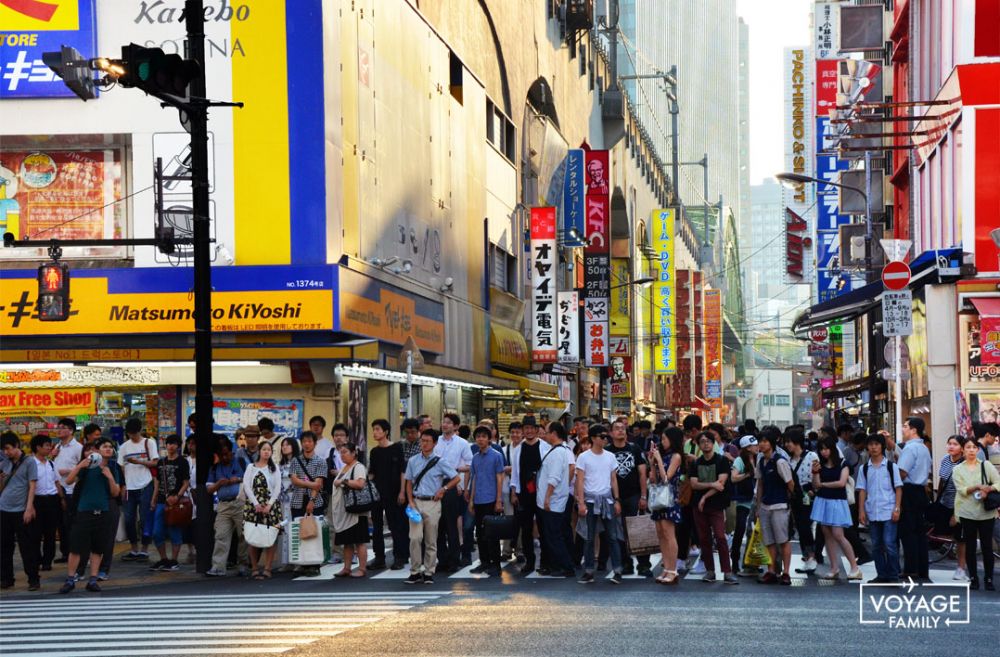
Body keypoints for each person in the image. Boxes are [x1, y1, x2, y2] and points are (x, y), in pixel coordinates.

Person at [58, 438, 122, 594]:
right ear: (97, 450)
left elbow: (115, 493)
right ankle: (70, 579)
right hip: (84, 512)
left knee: (98, 548)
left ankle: (93, 579)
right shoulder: (87, 466)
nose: (108, 449)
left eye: (110, 447)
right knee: (76, 548)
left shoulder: (113, 468)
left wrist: (110, 477)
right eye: (104, 447)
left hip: (103, 512)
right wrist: (80, 465)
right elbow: (68, 481)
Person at [404, 429, 460, 584]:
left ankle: (428, 572)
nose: (424, 443)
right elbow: (408, 481)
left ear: (435, 443)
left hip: (432, 503)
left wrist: (444, 489)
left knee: (431, 539)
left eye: (428, 441)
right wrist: (410, 500)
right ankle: (415, 571)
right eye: (422, 440)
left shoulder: (440, 461)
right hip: (416, 501)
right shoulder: (413, 460)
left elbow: (456, 478)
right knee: (415, 538)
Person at [575, 425, 623, 584]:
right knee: (589, 537)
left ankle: (617, 570)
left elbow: (614, 479)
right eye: (602, 436)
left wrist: (617, 500)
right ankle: (589, 570)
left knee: (612, 536)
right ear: (593, 438)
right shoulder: (583, 457)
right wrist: (580, 502)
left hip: (607, 499)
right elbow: (580, 480)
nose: (605, 439)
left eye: (605, 436)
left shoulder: (610, 456)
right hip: (589, 500)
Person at [951, 436, 1000, 590]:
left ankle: (989, 579)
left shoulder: (986, 465)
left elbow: (998, 482)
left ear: (978, 450)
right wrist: (978, 487)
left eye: (974, 447)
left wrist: (989, 489)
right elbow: (962, 490)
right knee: (970, 547)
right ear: (963, 450)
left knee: (987, 547)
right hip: (967, 513)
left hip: (986, 513)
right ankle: (973, 578)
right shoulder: (957, 469)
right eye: (968, 447)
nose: (971, 450)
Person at [810, 436, 863, 581]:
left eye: (826, 448)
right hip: (823, 500)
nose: (824, 452)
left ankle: (854, 568)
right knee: (827, 535)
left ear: (832, 448)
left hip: (837, 501)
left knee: (838, 534)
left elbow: (841, 483)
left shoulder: (843, 463)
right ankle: (834, 568)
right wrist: (815, 473)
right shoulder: (819, 464)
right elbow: (815, 485)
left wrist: (823, 485)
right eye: (821, 449)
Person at [690, 431, 737, 584]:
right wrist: (711, 484)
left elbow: (721, 483)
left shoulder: (722, 460)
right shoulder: (696, 463)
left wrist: (704, 496)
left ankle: (727, 572)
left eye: (708, 441)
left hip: (716, 505)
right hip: (699, 506)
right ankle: (710, 570)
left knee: (720, 537)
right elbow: (693, 483)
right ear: (699, 445)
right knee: (704, 539)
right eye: (702, 441)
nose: (705, 444)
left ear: (713, 443)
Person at [606, 418, 651, 577]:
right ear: (611, 433)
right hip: (613, 497)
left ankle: (644, 565)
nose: (620, 430)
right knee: (619, 531)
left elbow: (642, 473)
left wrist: (644, 496)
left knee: (638, 529)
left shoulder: (635, 448)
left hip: (634, 495)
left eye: (623, 428)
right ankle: (626, 563)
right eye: (616, 428)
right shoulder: (607, 451)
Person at [856, 433, 902, 583]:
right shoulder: (864, 468)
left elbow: (898, 488)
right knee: (876, 545)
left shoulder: (891, 466)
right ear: (867, 447)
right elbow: (862, 490)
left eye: (877, 444)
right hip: (872, 511)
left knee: (889, 543)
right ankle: (881, 574)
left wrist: (897, 508)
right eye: (871, 444)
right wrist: (861, 510)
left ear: (882, 446)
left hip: (888, 510)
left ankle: (893, 574)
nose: (874, 447)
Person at [433, 413, 472, 572]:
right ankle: (442, 559)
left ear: (455, 426)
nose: (445, 425)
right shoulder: (436, 442)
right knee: (438, 525)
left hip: (453, 483)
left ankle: (454, 559)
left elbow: (470, 465)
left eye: (449, 423)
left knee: (451, 524)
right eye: (444, 422)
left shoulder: (462, 443)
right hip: (435, 484)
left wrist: (456, 471)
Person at [367, 419, 408, 570]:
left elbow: (403, 471)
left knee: (395, 525)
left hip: (395, 492)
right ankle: (379, 558)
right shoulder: (374, 452)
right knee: (377, 526)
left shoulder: (396, 448)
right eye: (373, 429)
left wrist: (402, 491)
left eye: (378, 429)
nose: (375, 432)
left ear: (385, 432)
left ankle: (400, 556)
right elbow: (372, 473)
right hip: (377, 493)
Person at [754, 431, 794, 585]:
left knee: (783, 540)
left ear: (772, 443)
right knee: (769, 541)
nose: (762, 444)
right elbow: (760, 484)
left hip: (779, 505)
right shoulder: (761, 462)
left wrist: (790, 501)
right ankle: (771, 570)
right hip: (765, 505)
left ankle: (786, 572)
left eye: (765, 441)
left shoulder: (780, 461)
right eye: (760, 441)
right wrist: (758, 506)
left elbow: (790, 483)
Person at [1, 432, 39, 591]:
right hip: (3, 509)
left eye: (8, 448)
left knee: (27, 547)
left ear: (17, 445)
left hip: (21, 510)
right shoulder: (4, 463)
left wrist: (29, 507)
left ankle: (33, 579)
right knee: (4, 547)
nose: (6, 452)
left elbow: (32, 486)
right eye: (3, 450)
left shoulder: (29, 462)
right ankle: (6, 578)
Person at [206, 436, 248, 577]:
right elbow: (209, 489)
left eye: (227, 454)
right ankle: (218, 567)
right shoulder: (215, 467)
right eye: (221, 455)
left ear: (232, 452)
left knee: (243, 535)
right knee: (221, 535)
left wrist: (238, 479)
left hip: (240, 502)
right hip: (223, 505)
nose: (225, 457)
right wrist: (219, 484)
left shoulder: (240, 462)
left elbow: (251, 477)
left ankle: (243, 564)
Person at [537, 422, 575, 577]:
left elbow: (554, 477)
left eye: (546, 432)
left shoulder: (559, 452)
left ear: (553, 433)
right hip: (553, 500)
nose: (544, 435)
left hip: (553, 501)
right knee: (552, 535)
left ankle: (566, 567)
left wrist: (547, 498)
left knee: (554, 536)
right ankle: (557, 565)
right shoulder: (559, 451)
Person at [897, 417, 932, 581]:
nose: (903, 429)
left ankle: (911, 569)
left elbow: (902, 472)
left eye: (905, 426)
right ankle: (922, 569)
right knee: (920, 532)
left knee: (908, 531)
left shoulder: (910, 448)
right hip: (921, 492)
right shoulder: (924, 448)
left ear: (913, 430)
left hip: (909, 491)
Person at [118, 418, 157, 562]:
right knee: (129, 519)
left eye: (134, 434)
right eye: (129, 434)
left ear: (140, 431)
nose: (132, 437)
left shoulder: (149, 443)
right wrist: (123, 485)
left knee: (145, 518)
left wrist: (139, 461)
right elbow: (121, 466)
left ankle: (145, 549)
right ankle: (133, 549)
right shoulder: (123, 447)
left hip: (146, 485)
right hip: (129, 487)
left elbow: (155, 462)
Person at [149, 434, 190, 572]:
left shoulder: (183, 462)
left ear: (178, 446)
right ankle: (163, 559)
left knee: (174, 530)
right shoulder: (161, 462)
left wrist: (177, 496)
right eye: (169, 443)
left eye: (174, 443)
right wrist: (153, 500)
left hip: (175, 502)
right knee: (156, 532)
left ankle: (174, 560)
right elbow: (157, 483)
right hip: (161, 500)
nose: (171, 446)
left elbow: (186, 482)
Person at [468, 425, 505, 576]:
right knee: (480, 534)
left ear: (489, 439)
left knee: (492, 534)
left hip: (491, 499)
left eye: (484, 436)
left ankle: (496, 565)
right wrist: (471, 500)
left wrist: (498, 500)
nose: (481, 439)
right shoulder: (475, 457)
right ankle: (484, 562)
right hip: (478, 500)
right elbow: (474, 478)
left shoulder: (496, 455)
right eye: (478, 436)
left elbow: (499, 478)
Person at [330, 442, 371, 578]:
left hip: (356, 510)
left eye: (345, 452)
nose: (342, 455)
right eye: (341, 452)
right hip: (344, 510)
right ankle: (346, 568)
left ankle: (362, 568)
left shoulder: (358, 467)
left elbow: (360, 483)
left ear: (354, 453)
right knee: (347, 541)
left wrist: (343, 482)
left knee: (359, 541)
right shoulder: (344, 468)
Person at [649, 427, 684, 584]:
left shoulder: (676, 456)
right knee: (660, 533)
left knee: (669, 534)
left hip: (670, 498)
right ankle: (666, 568)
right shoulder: (663, 456)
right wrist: (652, 463)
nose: (662, 442)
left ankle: (672, 570)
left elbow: (666, 478)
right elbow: (655, 480)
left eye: (664, 439)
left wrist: (659, 460)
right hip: (659, 498)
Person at [243, 440, 282, 580]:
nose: (266, 452)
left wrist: (270, 504)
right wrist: (256, 504)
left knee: (270, 536)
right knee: (253, 536)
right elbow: (247, 486)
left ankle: (267, 567)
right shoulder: (250, 467)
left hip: (271, 507)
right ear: (259, 451)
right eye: (264, 449)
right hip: (253, 507)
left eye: (269, 450)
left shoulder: (274, 468)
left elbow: (277, 488)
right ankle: (254, 567)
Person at [289, 431, 327, 577]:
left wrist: (311, 500)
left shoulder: (320, 461)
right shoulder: (295, 461)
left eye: (310, 441)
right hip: (297, 501)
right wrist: (311, 484)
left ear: (315, 443)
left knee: (314, 532)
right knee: (300, 532)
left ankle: (315, 564)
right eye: (304, 441)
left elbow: (319, 484)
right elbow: (294, 480)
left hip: (315, 502)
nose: (306, 444)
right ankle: (303, 562)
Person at [936, 435, 970, 581]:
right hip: (945, 502)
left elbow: (964, 489)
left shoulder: (965, 464)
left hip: (961, 504)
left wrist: (956, 513)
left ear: (962, 448)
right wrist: (937, 500)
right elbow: (942, 480)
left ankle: (961, 568)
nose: (951, 446)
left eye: (955, 444)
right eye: (949, 443)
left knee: (961, 538)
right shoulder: (945, 460)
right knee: (944, 533)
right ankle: (948, 549)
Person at [785, 430, 818, 573]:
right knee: (800, 526)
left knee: (805, 526)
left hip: (808, 494)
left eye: (789, 442)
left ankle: (812, 557)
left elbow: (817, 475)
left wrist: (813, 491)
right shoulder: (788, 459)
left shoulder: (811, 456)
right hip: (794, 496)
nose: (787, 445)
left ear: (797, 442)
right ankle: (807, 557)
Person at [52, 418, 82, 564]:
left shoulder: (78, 447)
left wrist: (68, 471)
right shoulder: (58, 446)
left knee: (69, 522)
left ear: (70, 430)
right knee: (60, 524)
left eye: (62, 427)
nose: (59, 430)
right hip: (57, 489)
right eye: (59, 427)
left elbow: (82, 467)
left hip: (70, 490)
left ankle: (73, 552)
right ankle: (65, 553)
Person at [29, 434, 60, 573]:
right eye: (46, 445)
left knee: (50, 533)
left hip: (52, 500)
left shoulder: (51, 464)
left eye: (49, 445)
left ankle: (47, 561)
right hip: (37, 500)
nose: (49, 448)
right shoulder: (30, 464)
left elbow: (56, 482)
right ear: (38, 447)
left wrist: (62, 498)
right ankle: (36, 560)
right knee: (35, 533)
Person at [729, 435, 757, 577]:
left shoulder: (759, 459)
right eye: (754, 445)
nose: (757, 447)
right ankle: (735, 562)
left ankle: (752, 562)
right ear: (747, 448)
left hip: (757, 501)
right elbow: (733, 478)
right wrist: (747, 474)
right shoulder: (740, 460)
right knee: (740, 531)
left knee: (755, 533)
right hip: (743, 501)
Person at [277, 437, 300, 570]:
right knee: (284, 529)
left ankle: (297, 560)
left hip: (295, 497)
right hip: (282, 499)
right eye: (283, 445)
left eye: (287, 445)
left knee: (294, 528)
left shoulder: (298, 462)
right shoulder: (280, 464)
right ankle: (286, 561)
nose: (284, 447)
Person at [182, 435, 198, 565]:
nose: (191, 446)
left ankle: (199, 549)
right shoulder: (185, 461)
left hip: (200, 494)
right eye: (189, 443)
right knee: (187, 523)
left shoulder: (204, 460)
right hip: (187, 495)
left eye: (194, 443)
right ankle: (190, 550)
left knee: (199, 523)